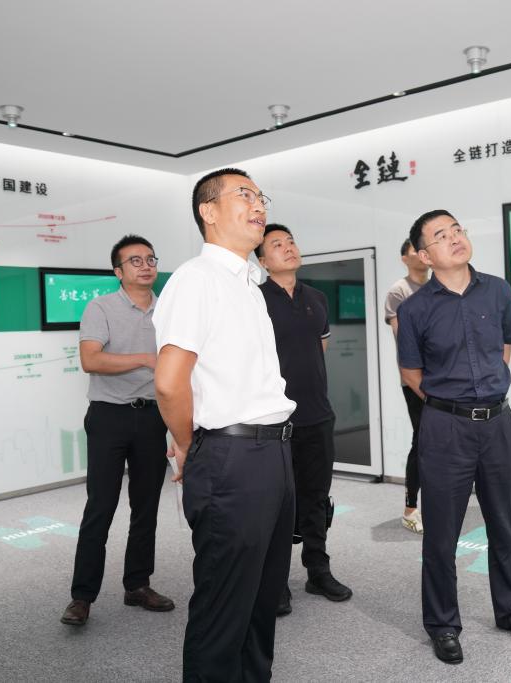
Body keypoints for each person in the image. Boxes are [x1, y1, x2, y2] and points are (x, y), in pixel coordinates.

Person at [153, 169, 296, 681]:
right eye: (244, 195)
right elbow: (169, 382)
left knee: (262, 599)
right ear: (208, 211)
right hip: (232, 457)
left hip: (274, 452)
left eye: (261, 196)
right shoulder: (197, 278)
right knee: (224, 608)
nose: (259, 205)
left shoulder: (249, 283)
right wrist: (189, 446)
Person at [396, 210, 511, 665]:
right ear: (424, 255)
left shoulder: (497, 290)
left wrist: (483, 394)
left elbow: (504, 349)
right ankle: (443, 624)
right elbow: (411, 373)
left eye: (457, 229)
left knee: (503, 523)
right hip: (445, 428)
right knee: (442, 534)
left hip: (498, 423)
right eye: (441, 235)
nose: (455, 238)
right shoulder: (413, 309)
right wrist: (452, 403)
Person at [61, 234, 174, 627]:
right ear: (118, 271)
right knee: (100, 507)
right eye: (135, 261)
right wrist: (145, 358)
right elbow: (91, 360)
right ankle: (82, 596)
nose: (145, 266)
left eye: (150, 259)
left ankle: (137, 585)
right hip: (109, 416)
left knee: (146, 507)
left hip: (153, 417)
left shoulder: (169, 310)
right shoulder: (101, 307)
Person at [256, 224, 353, 616]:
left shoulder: (316, 297)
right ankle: (276, 581)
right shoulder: (255, 299)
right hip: (274, 420)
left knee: (316, 497)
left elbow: (320, 346)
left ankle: (318, 569)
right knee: (278, 503)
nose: (288, 248)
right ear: (262, 260)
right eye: (277, 244)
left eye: (291, 241)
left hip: (317, 414)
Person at [383, 238, 430, 534]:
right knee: (422, 442)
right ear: (405, 258)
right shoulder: (399, 291)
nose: (422, 254)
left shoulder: (439, 286)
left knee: (445, 443)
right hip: (417, 381)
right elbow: (404, 342)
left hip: (447, 380)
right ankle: (410, 508)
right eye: (415, 249)